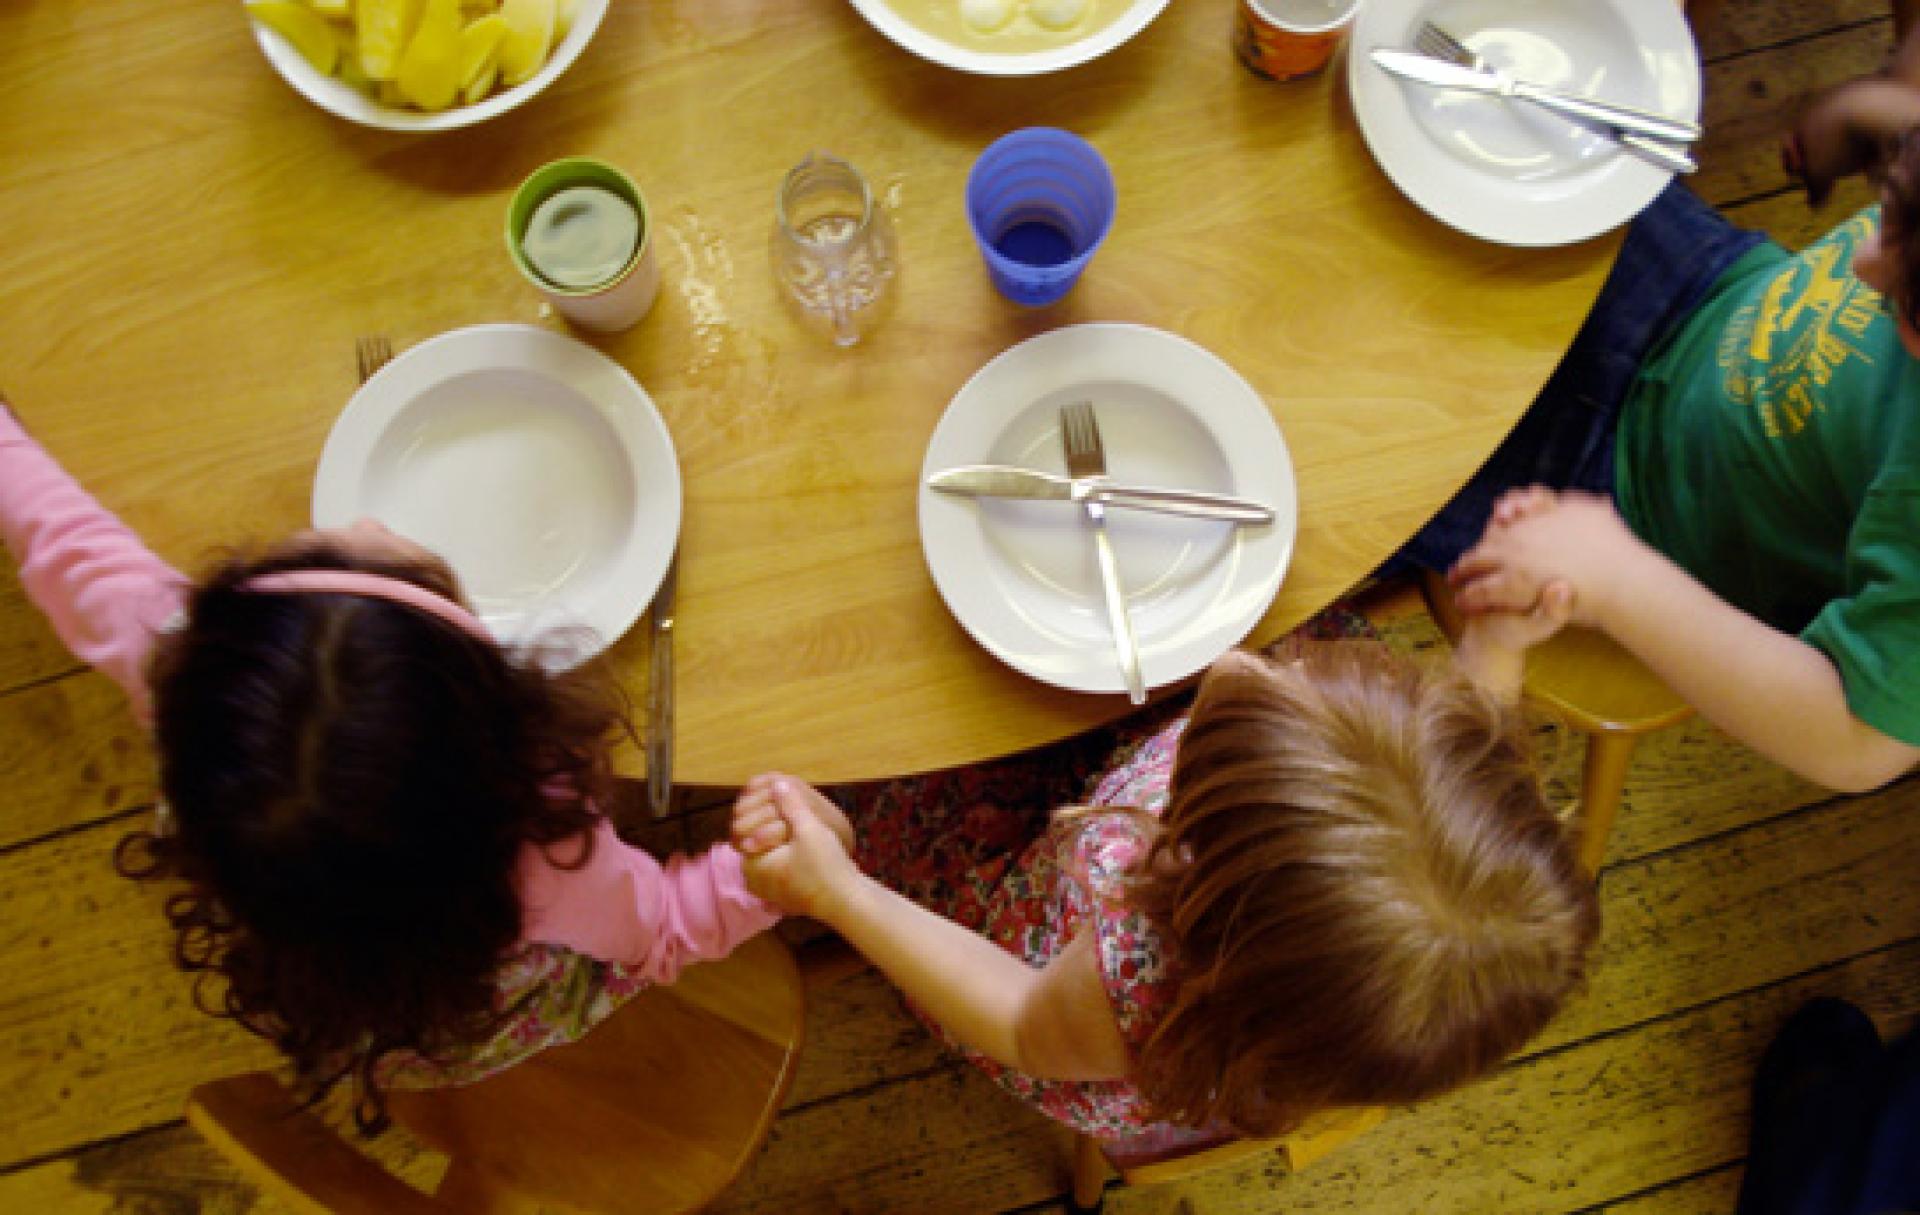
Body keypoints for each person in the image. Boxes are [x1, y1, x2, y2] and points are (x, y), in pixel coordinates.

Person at [0, 398, 791, 1131]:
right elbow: (658, 928)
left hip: (320, 963)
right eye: (404, 569)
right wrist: (775, 873)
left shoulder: (194, 673)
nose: (370, 518)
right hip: (460, 1012)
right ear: (498, 715)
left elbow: (57, 539)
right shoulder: (535, 851)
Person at [725, 603, 1600, 1146]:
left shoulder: (1139, 983)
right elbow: (1459, 771)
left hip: (1022, 933)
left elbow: (1023, 1020)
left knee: (886, 747)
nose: (1232, 664)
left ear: (1196, 877)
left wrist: (840, 890)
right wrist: (1493, 650)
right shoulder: (1379, 888)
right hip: (1152, 825)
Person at [1400, 64, 1920, 793]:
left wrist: (1615, 575)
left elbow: (1856, 744)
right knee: (1456, 137)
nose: (1866, 262)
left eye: (1909, 300)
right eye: (1887, 214)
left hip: (1626, 499)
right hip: (1709, 284)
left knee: (1351, 456)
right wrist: (1891, 119)